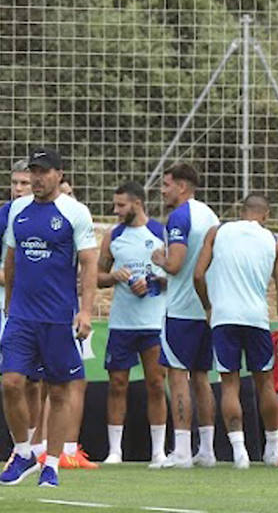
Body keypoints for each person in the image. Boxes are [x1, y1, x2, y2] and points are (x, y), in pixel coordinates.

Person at [0, 148, 98, 488]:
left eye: (43, 172)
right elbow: (10, 259)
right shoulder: (18, 211)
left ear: (59, 175)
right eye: (32, 171)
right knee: (11, 382)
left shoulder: (74, 213)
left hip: (57, 318)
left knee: (59, 390)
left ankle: (51, 463)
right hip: (22, 315)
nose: (36, 178)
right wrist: (9, 302)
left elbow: (88, 263)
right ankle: (24, 452)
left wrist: (85, 310)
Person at [193, 193, 278, 468]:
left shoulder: (219, 232)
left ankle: (240, 453)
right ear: (266, 215)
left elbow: (198, 275)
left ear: (241, 211)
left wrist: (208, 306)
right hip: (256, 318)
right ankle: (273, 449)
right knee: (266, 383)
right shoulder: (275, 242)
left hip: (225, 317)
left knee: (229, 384)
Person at [0, 161, 51, 462]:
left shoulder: (51, 216)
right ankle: (19, 447)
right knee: (13, 381)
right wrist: (19, 283)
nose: (20, 188)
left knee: (37, 382)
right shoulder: (0, 219)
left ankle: (37, 447)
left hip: (45, 309)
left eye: (25, 182)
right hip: (10, 310)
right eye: (16, 183)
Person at [153, 162, 221, 468]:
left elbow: (176, 264)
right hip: (206, 309)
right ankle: (206, 450)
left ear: (182, 186)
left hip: (181, 310)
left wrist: (160, 259)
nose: (163, 190)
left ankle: (181, 451)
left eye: (166, 184)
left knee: (178, 377)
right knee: (202, 378)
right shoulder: (210, 215)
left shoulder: (179, 216)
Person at [98, 182, 170, 467]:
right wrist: (115, 276)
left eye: (121, 205)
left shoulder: (161, 233)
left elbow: (176, 276)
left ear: (137, 204)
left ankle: (159, 451)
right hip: (121, 323)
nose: (116, 211)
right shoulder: (112, 236)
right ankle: (115, 450)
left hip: (153, 322)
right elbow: (96, 277)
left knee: (155, 383)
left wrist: (153, 281)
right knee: (117, 384)